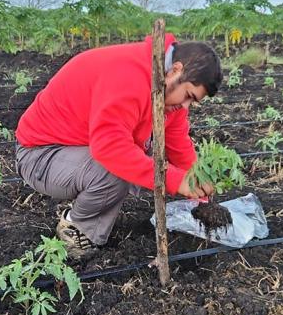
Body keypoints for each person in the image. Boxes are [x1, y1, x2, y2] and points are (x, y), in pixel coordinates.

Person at [15, 33, 224, 258]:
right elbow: (109, 148)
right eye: (188, 96)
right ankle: (75, 228)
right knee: (115, 168)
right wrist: (174, 180)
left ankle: (95, 210)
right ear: (175, 70)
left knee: (138, 158)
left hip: (78, 148)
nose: (185, 105)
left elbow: (176, 140)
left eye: (192, 101)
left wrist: (197, 185)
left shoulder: (165, 87)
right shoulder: (129, 75)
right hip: (40, 155)